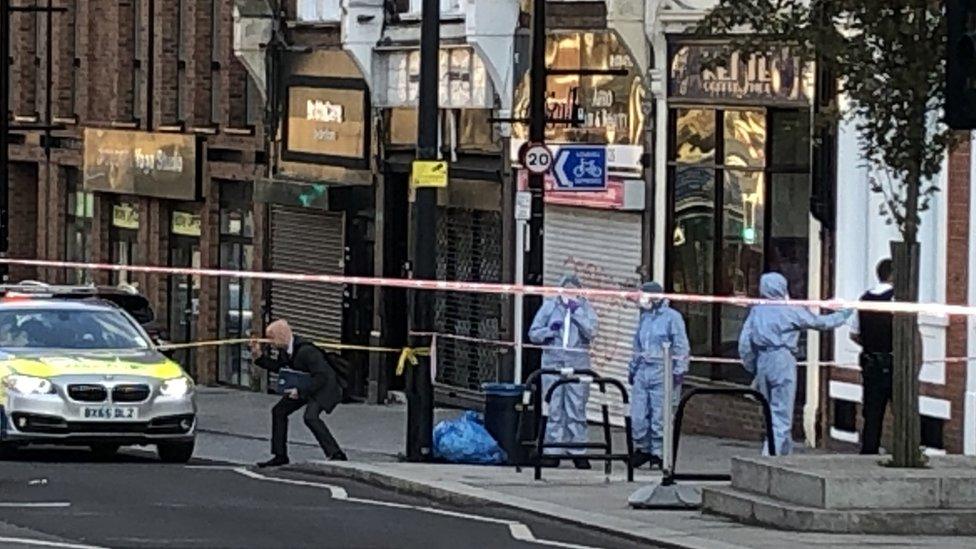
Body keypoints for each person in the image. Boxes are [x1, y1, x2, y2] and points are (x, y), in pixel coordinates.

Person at [738, 273, 853, 456]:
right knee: (782, 415)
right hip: (783, 360)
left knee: (769, 413)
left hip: (762, 361)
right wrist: (844, 314)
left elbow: (744, 343)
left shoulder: (756, 311)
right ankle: (770, 458)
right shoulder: (790, 310)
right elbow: (820, 323)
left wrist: (752, 366)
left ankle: (784, 455)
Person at [252, 320, 347, 467]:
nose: (269, 343)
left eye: (271, 338)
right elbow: (280, 368)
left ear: (281, 336)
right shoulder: (285, 352)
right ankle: (280, 455)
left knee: (311, 416)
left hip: (325, 387)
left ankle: (336, 453)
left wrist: (301, 392)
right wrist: (259, 358)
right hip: (305, 386)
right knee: (279, 411)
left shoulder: (307, 351)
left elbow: (322, 377)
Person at [528, 274, 598, 470]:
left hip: (578, 362)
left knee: (577, 406)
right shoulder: (550, 306)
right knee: (554, 406)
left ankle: (578, 450)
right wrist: (549, 331)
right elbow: (533, 333)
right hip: (553, 361)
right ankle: (553, 451)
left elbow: (592, 332)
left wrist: (577, 315)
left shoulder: (585, 308)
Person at [628, 281, 690, 469]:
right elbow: (637, 346)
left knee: (660, 416)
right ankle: (642, 449)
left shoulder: (672, 318)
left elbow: (680, 345)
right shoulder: (645, 318)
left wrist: (679, 370)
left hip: (663, 371)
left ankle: (659, 453)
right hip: (643, 370)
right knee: (638, 414)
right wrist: (632, 369)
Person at [850, 259, 894, 455]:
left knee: (872, 411)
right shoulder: (896, 300)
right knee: (900, 410)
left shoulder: (863, 299)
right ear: (893, 275)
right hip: (892, 362)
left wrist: (869, 345)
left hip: (869, 362)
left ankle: (869, 450)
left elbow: (854, 334)